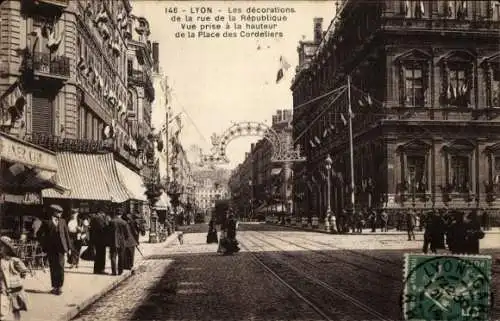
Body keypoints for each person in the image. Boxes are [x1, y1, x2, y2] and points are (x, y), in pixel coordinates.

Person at [37, 204, 72, 295]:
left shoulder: (63, 221)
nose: (60, 214)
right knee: (53, 267)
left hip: (61, 248)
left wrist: (69, 248)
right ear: (54, 212)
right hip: (51, 248)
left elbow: (66, 235)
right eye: (59, 212)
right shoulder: (46, 222)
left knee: (60, 267)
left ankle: (59, 287)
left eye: (61, 212)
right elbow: (39, 234)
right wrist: (44, 244)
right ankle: (54, 287)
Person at [0, 236, 29, 321]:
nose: (0, 248)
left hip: (14, 290)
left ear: (8, 248)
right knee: (2, 310)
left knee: (16, 309)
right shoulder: (1, 260)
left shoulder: (14, 260)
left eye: (2, 246)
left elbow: (23, 270)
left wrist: (21, 276)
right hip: (3, 289)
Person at [108, 210, 129, 276]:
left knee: (113, 257)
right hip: (121, 242)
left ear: (115, 214)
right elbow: (127, 234)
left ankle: (114, 272)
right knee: (121, 256)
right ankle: (120, 271)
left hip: (113, 241)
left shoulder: (111, 221)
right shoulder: (124, 222)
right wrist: (124, 239)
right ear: (121, 214)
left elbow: (108, 232)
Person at [89, 210, 109, 275]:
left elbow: (91, 229)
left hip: (95, 240)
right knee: (102, 255)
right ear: (101, 213)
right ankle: (101, 270)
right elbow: (104, 228)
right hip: (102, 240)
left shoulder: (93, 219)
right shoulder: (101, 219)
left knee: (97, 255)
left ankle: (96, 270)